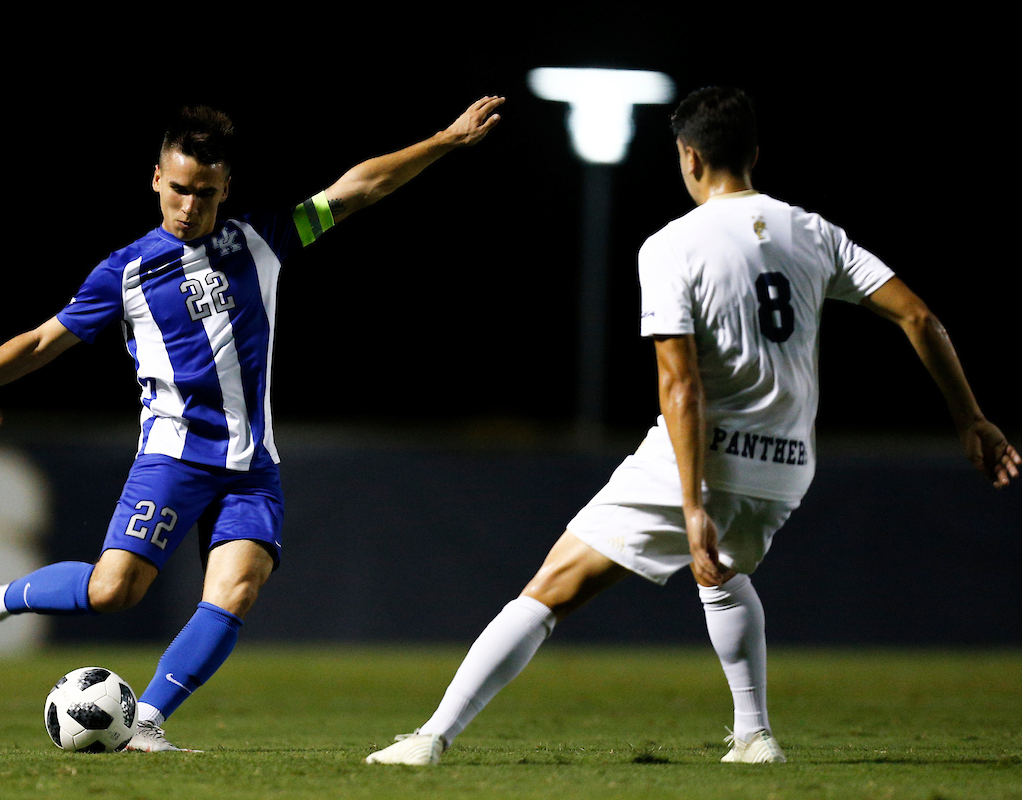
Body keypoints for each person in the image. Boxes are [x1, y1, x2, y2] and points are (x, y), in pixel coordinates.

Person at [365, 86, 1019, 766]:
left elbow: (680, 383)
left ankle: (431, 737)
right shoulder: (814, 232)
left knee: (551, 588)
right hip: (787, 465)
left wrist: (691, 500)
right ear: (754, 154)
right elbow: (921, 318)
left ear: (689, 156)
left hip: (704, 457)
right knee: (722, 574)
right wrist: (970, 418)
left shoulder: (672, 245)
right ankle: (754, 735)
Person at [0, 95, 505, 752]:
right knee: (113, 592)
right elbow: (44, 342)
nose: (190, 207)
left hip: (251, 467)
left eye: (206, 194)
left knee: (237, 589)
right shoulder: (125, 271)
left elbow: (358, 190)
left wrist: (444, 140)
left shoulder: (263, 237)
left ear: (227, 189)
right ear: (157, 178)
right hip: (173, 458)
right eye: (180, 189)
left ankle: (148, 722)